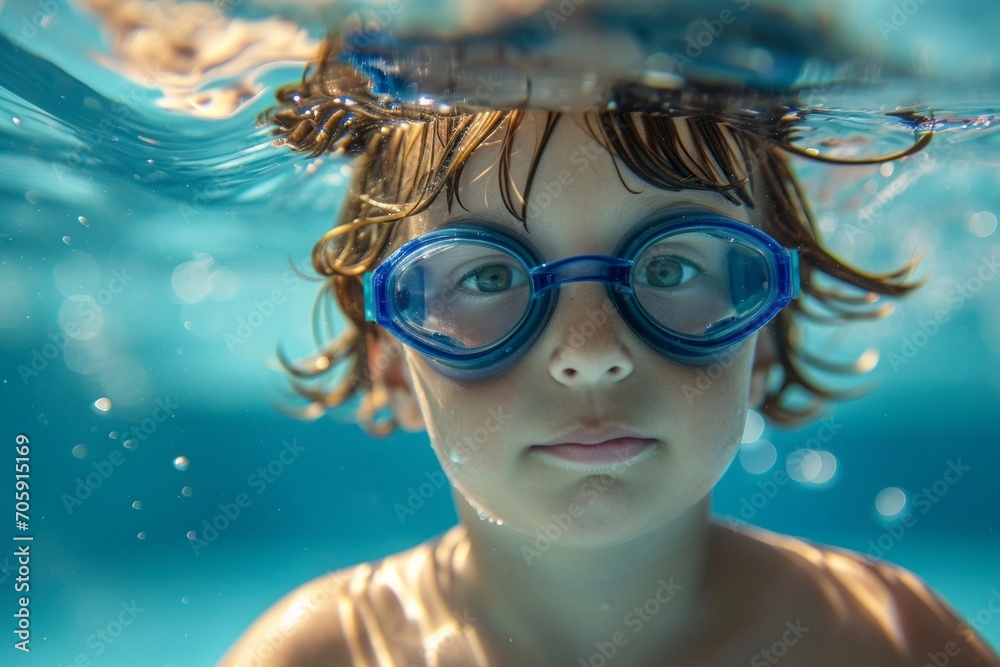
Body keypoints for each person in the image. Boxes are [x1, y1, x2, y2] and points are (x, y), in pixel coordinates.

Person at [218, 30, 1000, 667]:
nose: (589, 351)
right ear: (390, 355)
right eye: (487, 275)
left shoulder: (883, 641)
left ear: (761, 336)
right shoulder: (321, 654)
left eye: (671, 268)